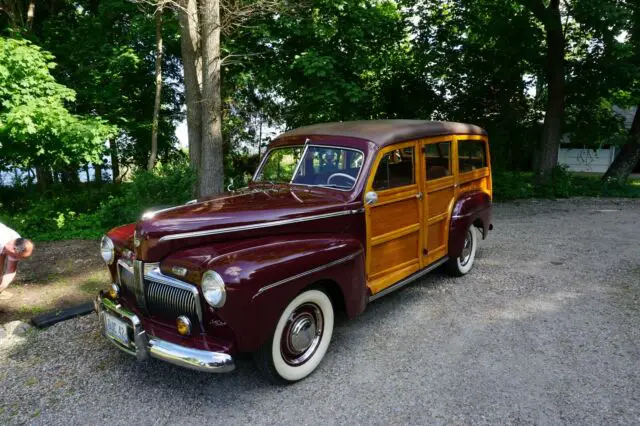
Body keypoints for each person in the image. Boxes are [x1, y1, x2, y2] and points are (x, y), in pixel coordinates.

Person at [0, 222, 34, 299]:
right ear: (13, 249)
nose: (16, 258)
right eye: (16, 256)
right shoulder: (2, 239)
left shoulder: (16, 241)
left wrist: (2, 287)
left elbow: (11, 270)